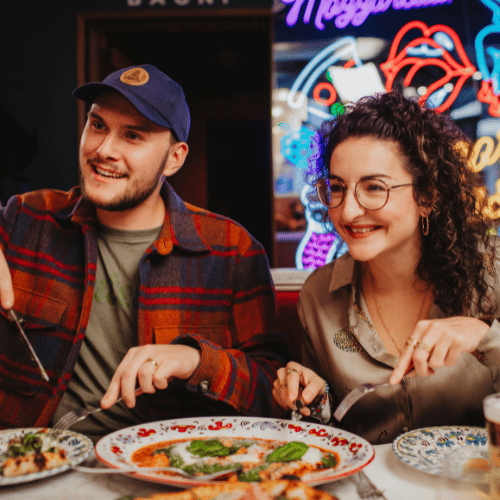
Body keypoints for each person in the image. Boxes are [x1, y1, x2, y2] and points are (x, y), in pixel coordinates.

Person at [0, 64, 288, 442]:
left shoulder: (232, 251)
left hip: (163, 469)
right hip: (32, 463)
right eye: (98, 125)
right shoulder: (27, 219)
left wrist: (196, 361)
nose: (104, 150)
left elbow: (275, 393)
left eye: (132, 135)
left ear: (174, 158)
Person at [272, 91, 500, 444]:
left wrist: (486, 338)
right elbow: (326, 431)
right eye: (337, 189)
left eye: (374, 187)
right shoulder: (318, 297)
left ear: (427, 196)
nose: (347, 212)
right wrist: (311, 399)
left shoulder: (493, 269)